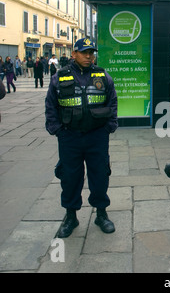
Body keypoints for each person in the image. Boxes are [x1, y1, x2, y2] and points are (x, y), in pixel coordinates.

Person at [45, 38, 118, 238]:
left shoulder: (102, 75)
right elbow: (51, 105)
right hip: (70, 137)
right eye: (84, 52)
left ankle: (101, 214)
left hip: (97, 136)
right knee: (69, 177)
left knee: (100, 175)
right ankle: (71, 216)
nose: (88, 56)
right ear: (74, 54)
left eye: (91, 52)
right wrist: (57, 130)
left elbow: (112, 100)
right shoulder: (60, 77)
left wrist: (109, 127)